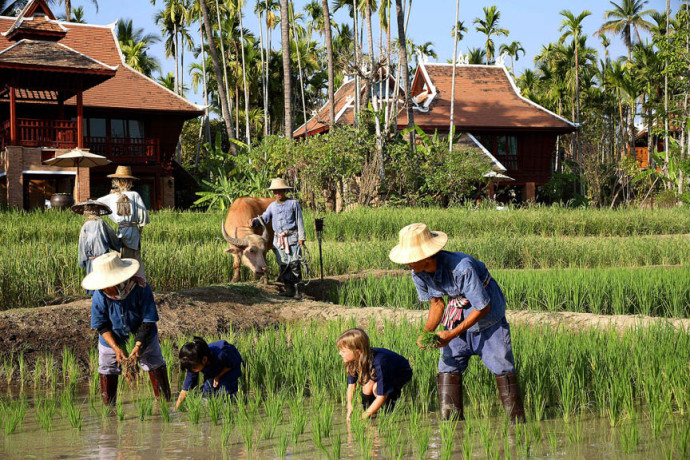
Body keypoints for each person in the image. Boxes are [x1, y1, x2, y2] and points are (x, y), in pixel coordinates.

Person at [389, 223, 526, 424]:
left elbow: (483, 307)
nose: (407, 264)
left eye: (410, 260)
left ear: (425, 257)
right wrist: (427, 332)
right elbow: (437, 304)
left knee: (502, 368)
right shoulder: (418, 273)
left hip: (489, 320)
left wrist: (451, 334)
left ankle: (517, 425)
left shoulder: (461, 268)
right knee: (447, 367)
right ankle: (451, 426)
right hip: (457, 316)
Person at [84, 252, 170, 406]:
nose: (103, 289)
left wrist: (137, 345)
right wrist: (116, 348)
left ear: (117, 281)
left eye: (106, 285)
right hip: (112, 337)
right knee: (107, 366)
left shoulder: (141, 288)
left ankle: (164, 404)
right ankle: (109, 409)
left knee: (154, 361)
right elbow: (101, 325)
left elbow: (148, 319)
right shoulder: (100, 295)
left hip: (144, 335)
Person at [337, 328, 413, 421]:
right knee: (368, 387)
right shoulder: (353, 360)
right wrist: (349, 405)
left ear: (358, 352)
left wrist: (361, 417)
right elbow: (351, 386)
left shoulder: (380, 363)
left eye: (343, 351)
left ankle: (388, 414)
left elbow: (382, 395)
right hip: (379, 371)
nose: (340, 353)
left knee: (377, 389)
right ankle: (372, 415)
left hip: (400, 372)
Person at [251, 178, 306, 299]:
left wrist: (301, 237)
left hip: (292, 238)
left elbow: (299, 221)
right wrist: (255, 221)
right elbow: (265, 217)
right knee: (283, 265)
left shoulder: (293, 204)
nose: (277, 194)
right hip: (279, 240)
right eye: (275, 192)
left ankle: (297, 291)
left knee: (294, 264)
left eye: (280, 191)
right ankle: (289, 290)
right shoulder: (272, 206)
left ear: (285, 191)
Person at [99, 166, 149, 277]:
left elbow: (97, 204)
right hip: (134, 232)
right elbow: (143, 217)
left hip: (121, 231)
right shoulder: (135, 195)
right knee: (135, 261)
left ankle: (123, 285)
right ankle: (138, 284)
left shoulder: (111, 197)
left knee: (121, 261)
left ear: (116, 181)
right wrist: (139, 231)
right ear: (130, 182)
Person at [175, 337, 243, 409]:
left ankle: (234, 402)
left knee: (226, 391)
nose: (192, 370)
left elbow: (231, 365)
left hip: (229, 366)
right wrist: (177, 408)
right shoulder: (193, 364)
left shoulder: (221, 353)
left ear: (204, 359)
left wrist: (218, 376)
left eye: (194, 368)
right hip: (211, 368)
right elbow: (186, 389)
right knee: (207, 392)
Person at [71, 199, 120, 282]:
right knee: (104, 285)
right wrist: (120, 246)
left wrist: (82, 261)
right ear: (98, 211)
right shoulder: (101, 223)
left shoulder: (85, 226)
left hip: (91, 261)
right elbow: (113, 238)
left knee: (94, 284)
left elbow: (82, 246)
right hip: (103, 260)